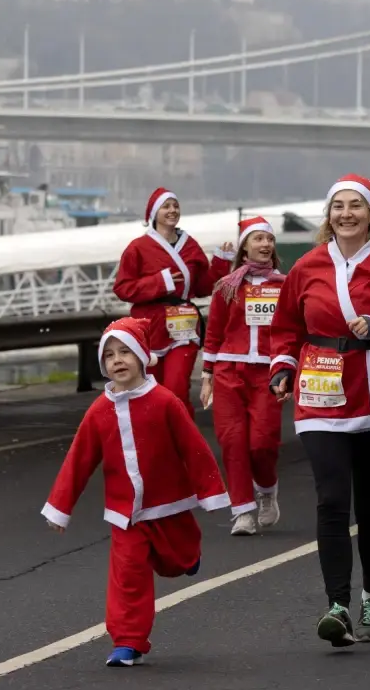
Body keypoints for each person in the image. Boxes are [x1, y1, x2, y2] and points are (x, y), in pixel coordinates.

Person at [268, 174, 370, 647]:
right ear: (328, 215)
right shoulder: (306, 266)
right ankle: (337, 606)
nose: (345, 214)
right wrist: (282, 368)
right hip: (320, 395)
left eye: (355, 206)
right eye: (337, 206)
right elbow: (285, 328)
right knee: (331, 498)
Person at [41, 318, 228, 667]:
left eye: (125, 351)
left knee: (177, 561)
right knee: (129, 575)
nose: (117, 360)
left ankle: (189, 556)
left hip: (168, 503)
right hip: (124, 512)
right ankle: (128, 642)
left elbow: (194, 447)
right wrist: (59, 508)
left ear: (142, 356)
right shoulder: (99, 411)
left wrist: (211, 492)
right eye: (109, 355)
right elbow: (79, 461)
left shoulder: (165, 402)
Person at [200, 216, 286, 536]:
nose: (265, 244)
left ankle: (266, 490)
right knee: (233, 442)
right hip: (228, 371)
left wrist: (289, 368)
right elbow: (214, 331)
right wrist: (207, 375)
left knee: (262, 443)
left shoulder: (284, 284)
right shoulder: (228, 285)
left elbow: (292, 329)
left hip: (267, 372)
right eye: (258, 239)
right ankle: (243, 511)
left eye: (269, 239)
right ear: (245, 247)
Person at [113, 188, 232, 416]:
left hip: (184, 326)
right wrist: (159, 282)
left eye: (175, 206)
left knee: (177, 388)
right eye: (166, 206)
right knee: (151, 390)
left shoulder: (190, 245)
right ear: (154, 212)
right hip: (149, 326)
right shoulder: (138, 247)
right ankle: (158, 441)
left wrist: (220, 264)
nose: (172, 211)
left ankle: (184, 441)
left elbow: (201, 288)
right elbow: (122, 288)